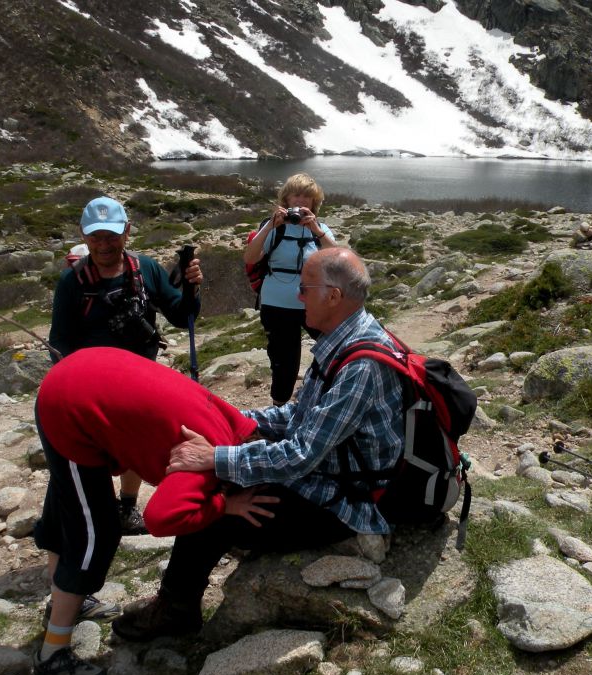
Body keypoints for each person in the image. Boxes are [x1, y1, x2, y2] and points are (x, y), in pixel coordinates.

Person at [111, 247, 405, 642]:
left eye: (305, 288)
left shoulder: (360, 366)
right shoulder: (346, 340)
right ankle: (177, 599)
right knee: (227, 476)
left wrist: (216, 457)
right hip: (331, 472)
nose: (297, 296)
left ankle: (176, 610)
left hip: (345, 499)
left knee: (215, 504)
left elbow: (300, 455)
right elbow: (299, 416)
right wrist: (232, 421)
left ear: (333, 297)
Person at [31, 346, 278, 675]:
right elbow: (161, 519)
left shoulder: (236, 425)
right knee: (93, 534)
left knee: (68, 505)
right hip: (68, 405)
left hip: (84, 372)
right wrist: (225, 506)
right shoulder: (205, 462)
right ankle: (52, 654)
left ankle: (63, 602)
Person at [49, 196, 204, 536]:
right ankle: (90, 512)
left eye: (112, 236)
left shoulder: (145, 268)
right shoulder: (72, 282)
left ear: (127, 231)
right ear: (83, 235)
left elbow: (180, 316)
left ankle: (126, 507)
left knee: (136, 442)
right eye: (96, 237)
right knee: (93, 450)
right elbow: (59, 341)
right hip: (93, 389)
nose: (104, 244)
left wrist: (192, 290)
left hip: (139, 381)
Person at [243, 173, 337, 405]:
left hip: (313, 301)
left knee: (335, 347)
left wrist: (316, 229)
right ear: (286, 199)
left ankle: (326, 397)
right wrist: (269, 227)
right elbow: (251, 257)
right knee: (285, 360)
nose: (301, 201)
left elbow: (338, 260)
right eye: (296, 195)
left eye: (308, 196)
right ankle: (280, 405)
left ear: (315, 202)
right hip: (277, 303)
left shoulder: (320, 228)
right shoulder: (272, 226)